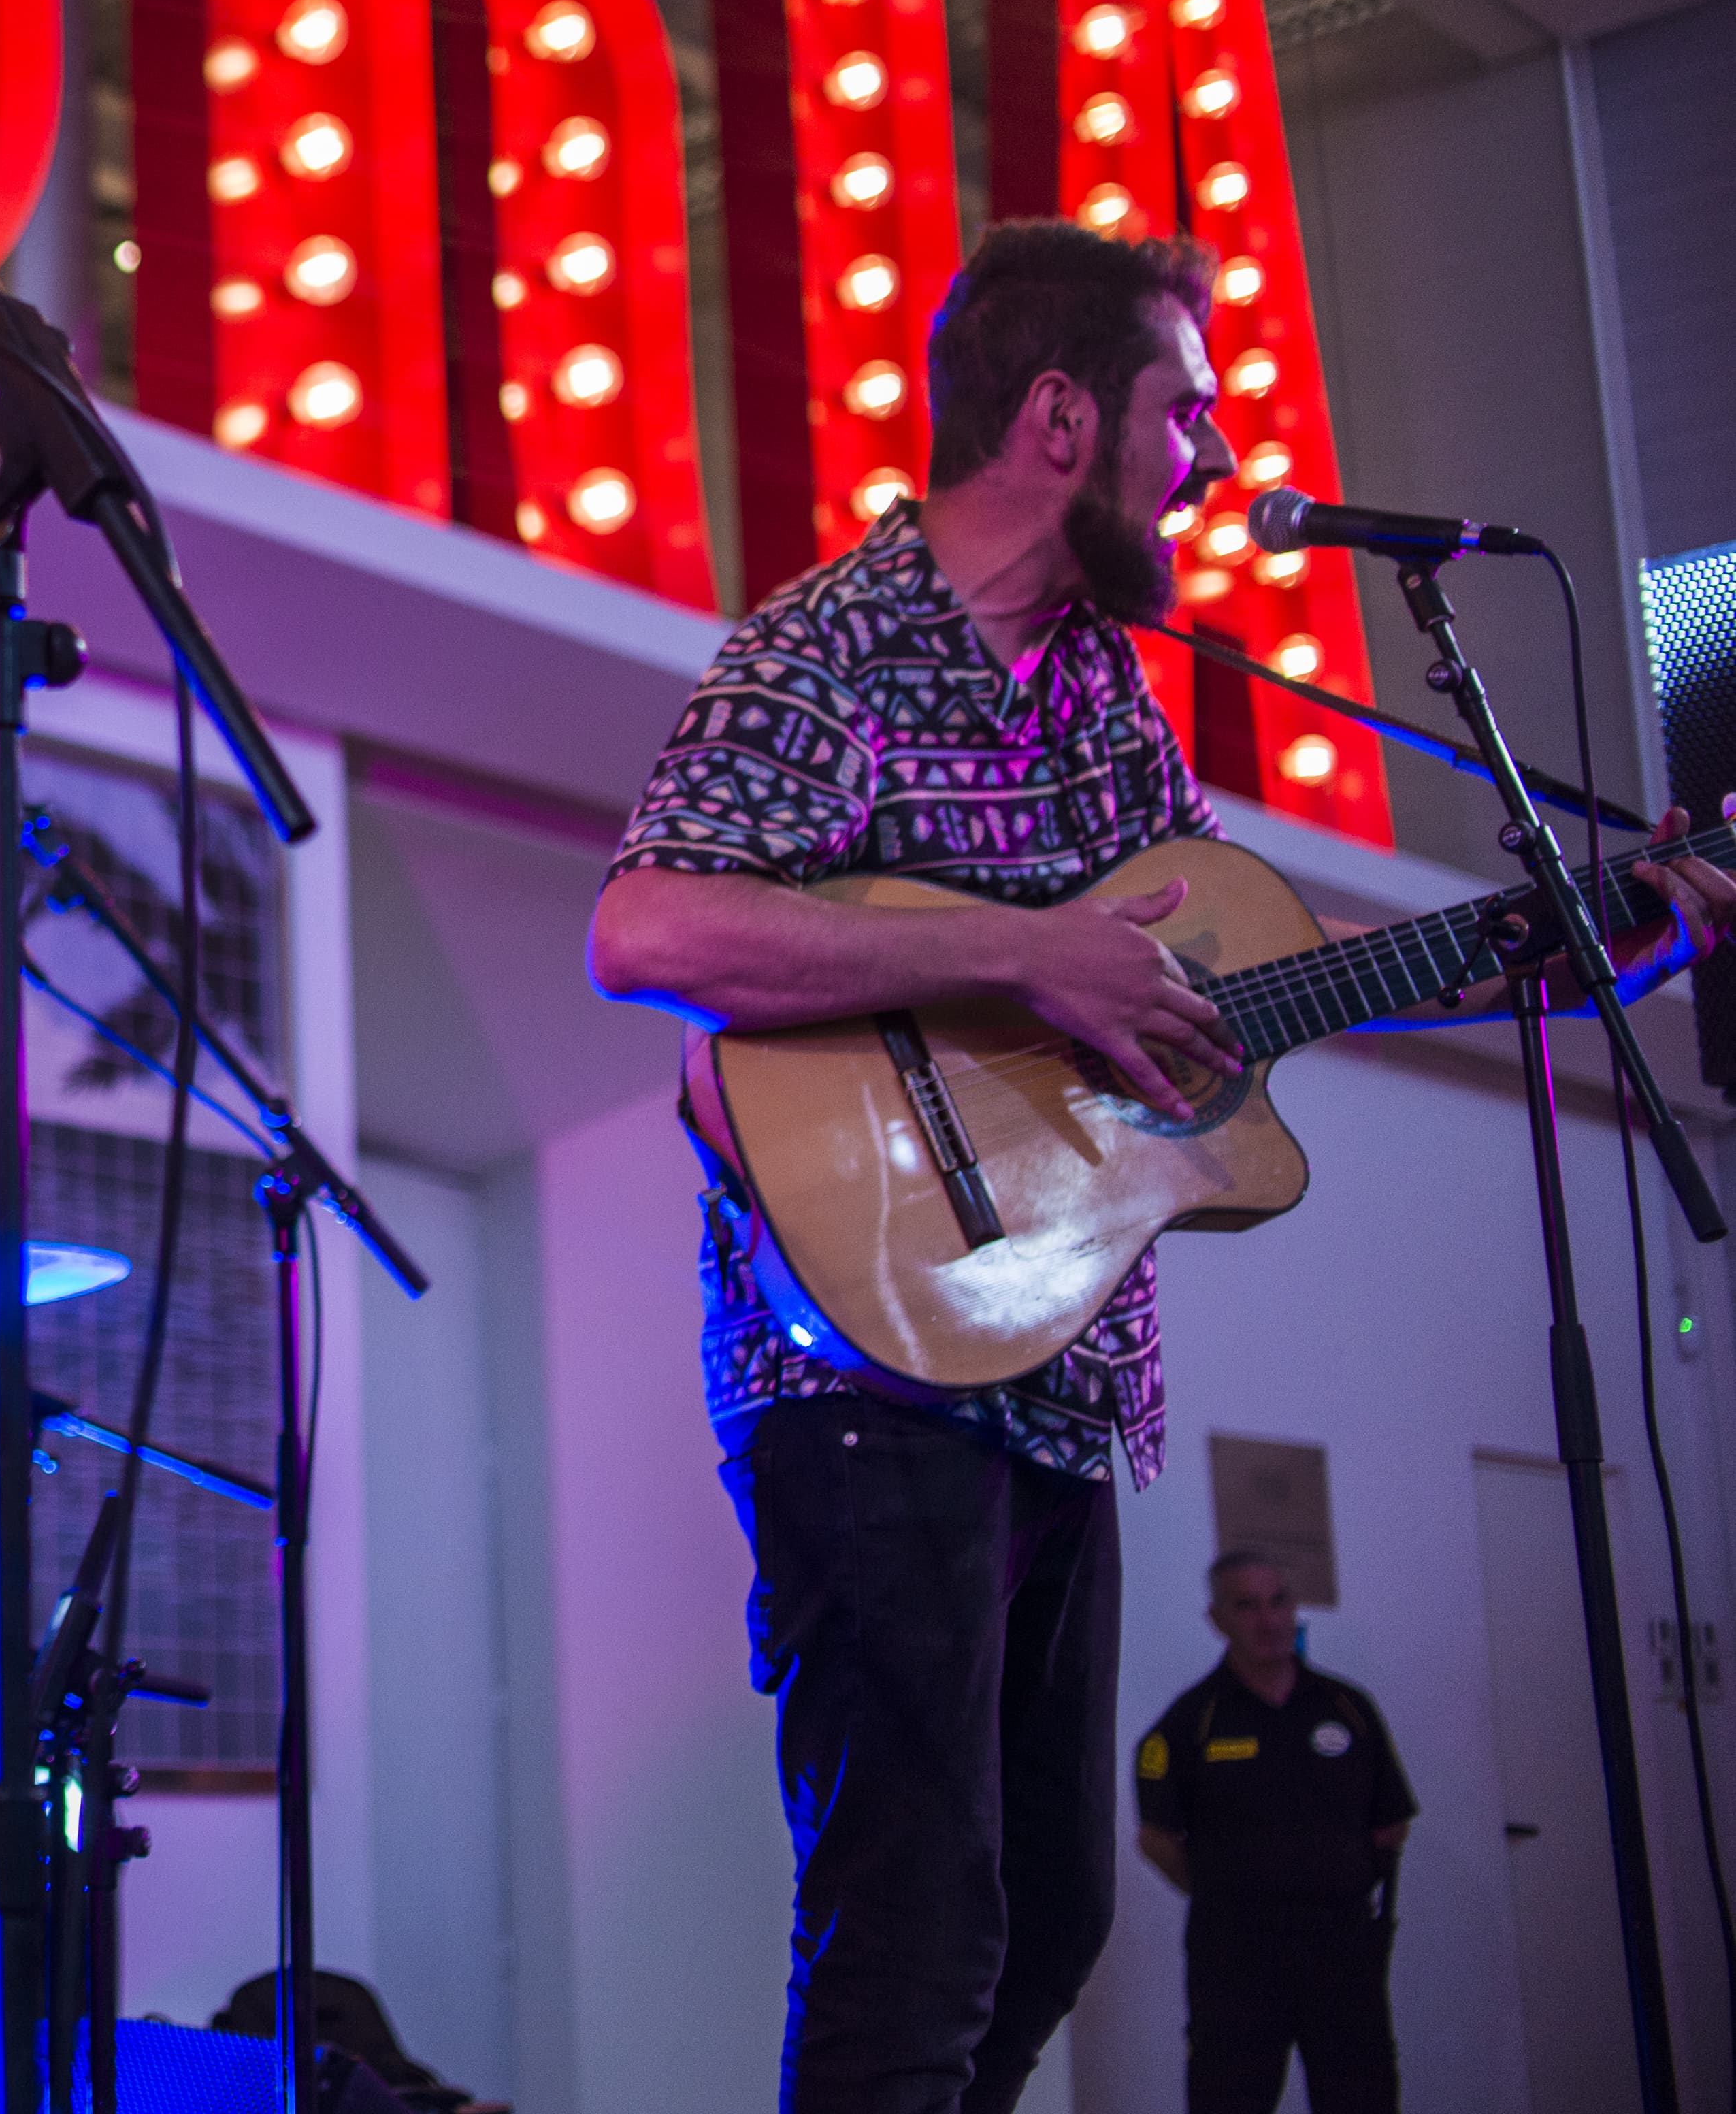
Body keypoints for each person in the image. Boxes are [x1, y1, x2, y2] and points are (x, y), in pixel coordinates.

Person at [585, 218, 1733, 2114]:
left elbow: (1251, 992)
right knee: (910, 1924)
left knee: (1043, 1924)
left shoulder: (1108, 698)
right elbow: (643, 932)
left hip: (1057, 1376)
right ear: (1056, 416)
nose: (1205, 462)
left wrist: (1599, 938)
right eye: (1177, 414)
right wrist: (1016, 950)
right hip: (860, 1384)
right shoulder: (828, 644)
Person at [1134, 1552, 1413, 2114]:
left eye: (1279, 1601)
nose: (1268, 1620)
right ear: (1218, 1619)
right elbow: (1157, 1838)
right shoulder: (1191, 1721)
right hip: (1236, 1955)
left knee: (1363, 2099)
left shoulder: (1348, 1708)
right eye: (1247, 1605)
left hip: (1342, 1951)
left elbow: (1391, 1825)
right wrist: (1227, 1891)